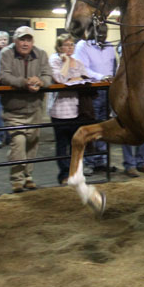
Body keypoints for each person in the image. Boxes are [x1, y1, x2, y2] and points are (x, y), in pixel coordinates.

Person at [0, 26, 52, 193]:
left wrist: (41, 81)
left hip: (35, 107)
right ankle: (17, 179)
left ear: (33, 42)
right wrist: (24, 83)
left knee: (32, 142)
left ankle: (28, 176)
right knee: (18, 142)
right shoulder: (6, 54)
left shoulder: (41, 54)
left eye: (28, 40)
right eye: (22, 39)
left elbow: (48, 75)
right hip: (13, 108)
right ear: (15, 41)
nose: (25, 43)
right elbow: (4, 76)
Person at [48, 34, 92, 185]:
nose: (69, 48)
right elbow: (60, 79)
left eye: (72, 45)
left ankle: (75, 173)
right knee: (62, 145)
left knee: (76, 144)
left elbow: (85, 79)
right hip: (59, 110)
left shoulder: (78, 62)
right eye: (66, 45)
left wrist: (72, 79)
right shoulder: (54, 60)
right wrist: (66, 62)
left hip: (76, 109)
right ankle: (63, 175)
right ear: (59, 47)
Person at [73, 22, 116, 173]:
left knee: (104, 127)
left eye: (105, 31)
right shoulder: (83, 46)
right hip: (91, 91)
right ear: (91, 31)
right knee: (90, 126)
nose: (103, 35)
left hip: (107, 91)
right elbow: (82, 68)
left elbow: (114, 67)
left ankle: (101, 160)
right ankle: (88, 162)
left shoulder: (110, 46)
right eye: (100, 31)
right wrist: (102, 77)